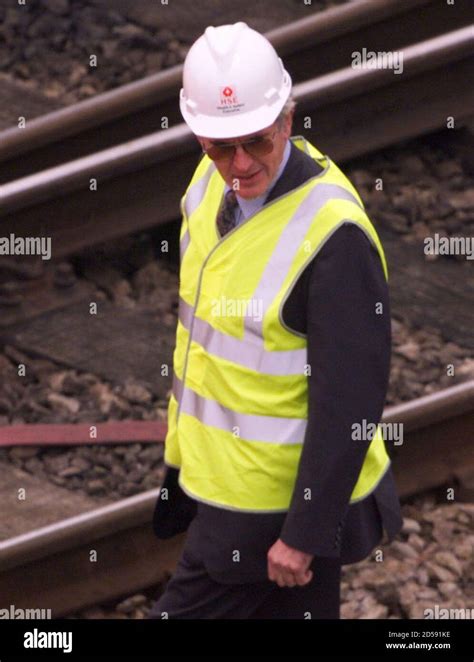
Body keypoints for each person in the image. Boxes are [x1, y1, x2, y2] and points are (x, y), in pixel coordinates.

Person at [148, 22, 402, 619]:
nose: (238, 165)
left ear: (288, 120)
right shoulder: (207, 187)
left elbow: (351, 402)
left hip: (267, 511)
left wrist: (305, 534)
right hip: (220, 479)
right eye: (218, 146)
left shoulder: (333, 238)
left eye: (256, 142)